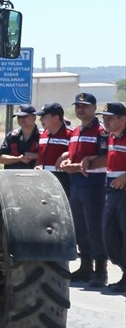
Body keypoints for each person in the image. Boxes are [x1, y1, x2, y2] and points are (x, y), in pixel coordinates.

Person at [58, 92, 109, 287]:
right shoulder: (76, 131)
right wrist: (67, 159)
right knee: (80, 228)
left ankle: (100, 271)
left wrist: (79, 166)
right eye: (78, 106)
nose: (81, 109)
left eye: (85, 106)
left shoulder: (101, 131)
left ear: (94, 108)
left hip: (94, 185)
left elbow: (106, 158)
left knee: (94, 228)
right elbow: (75, 155)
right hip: (77, 185)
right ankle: (86, 266)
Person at [93, 101, 126, 294]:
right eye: (104, 118)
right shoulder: (111, 136)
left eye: (110, 118)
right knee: (109, 235)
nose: (106, 121)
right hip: (111, 191)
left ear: (123, 119)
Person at [36, 102, 72, 196]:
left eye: (44, 116)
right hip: (44, 180)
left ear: (56, 118)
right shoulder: (43, 135)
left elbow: (78, 154)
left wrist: (66, 155)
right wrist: (39, 167)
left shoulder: (70, 134)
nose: (40, 119)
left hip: (63, 181)